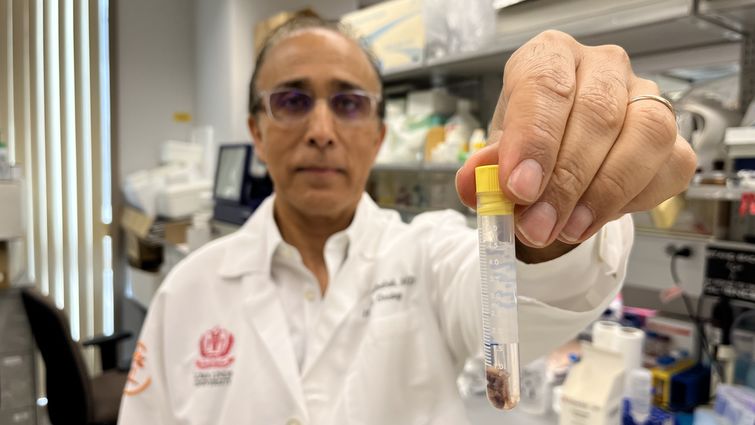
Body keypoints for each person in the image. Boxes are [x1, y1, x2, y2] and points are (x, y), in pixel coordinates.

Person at [117, 17, 695, 425]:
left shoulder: (425, 254)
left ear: (378, 136)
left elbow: (526, 290)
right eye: (292, 101)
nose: (321, 129)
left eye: (348, 103)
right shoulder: (186, 294)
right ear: (256, 134)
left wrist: (553, 216)